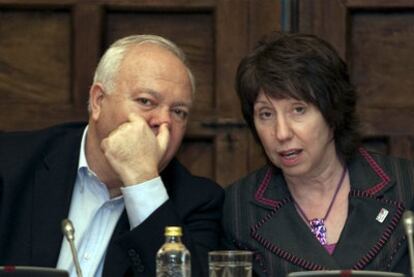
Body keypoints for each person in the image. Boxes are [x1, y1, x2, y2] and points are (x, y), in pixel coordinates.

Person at [0, 35, 224, 276]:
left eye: (178, 112)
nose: (164, 122)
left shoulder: (197, 202)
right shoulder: (10, 163)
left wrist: (142, 180)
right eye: (146, 101)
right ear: (98, 101)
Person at [222, 32, 414, 276]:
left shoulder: (406, 186)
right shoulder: (238, 207)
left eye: (298, 110)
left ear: (332, 112)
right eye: (266, 114)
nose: (281, 133)